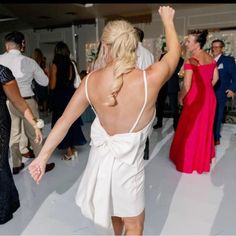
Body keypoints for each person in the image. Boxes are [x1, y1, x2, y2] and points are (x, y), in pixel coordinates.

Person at [29, 6, 180, 235]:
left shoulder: (91, 81)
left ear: (106, 46)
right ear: (133, 45)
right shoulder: (151, 78)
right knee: (135, 224)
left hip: (102, 164)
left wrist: (42, 157)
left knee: (113, 211)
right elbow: (173, 55)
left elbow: (63, 122)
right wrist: (168, 21)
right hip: (130, 168)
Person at [0, 31, 55, 174]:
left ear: (7, 45)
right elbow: (45, 82)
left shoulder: (0, 60)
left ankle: (16, 165)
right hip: (27, 103)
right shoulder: (30, 62)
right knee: (34, 133)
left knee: (14, 134)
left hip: (7, 102)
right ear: (22, 45)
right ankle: (40, 162)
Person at [169, 29, 219, 174]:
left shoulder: (191, 60)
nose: (186, 43)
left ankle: (190, 161)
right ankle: (203, 158)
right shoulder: (210, 58)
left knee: (191, 129)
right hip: (209, 98)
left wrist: (180, 97)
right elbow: (215, 79)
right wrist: (207, 89)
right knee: (204, 128)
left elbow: (186, 85)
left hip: (195, 99)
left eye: (189, 41)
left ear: (197, 44)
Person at [0, 65, 43, 224]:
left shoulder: (2, 72)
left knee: (1, 165)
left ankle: (4, 208)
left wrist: (35, 124)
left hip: (0, 125)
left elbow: (19, 102)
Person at [49, 41, 87, 160]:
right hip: (70, 96)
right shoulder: (71, 64)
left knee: (61, 123)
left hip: (60, 97)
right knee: (71, 121)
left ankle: (69, 152)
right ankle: (73, 148)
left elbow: (52, 86)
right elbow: (74, 81)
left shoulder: (54, 65)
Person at [211, 39, 236, 145]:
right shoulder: (208, 59)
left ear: (222, 49)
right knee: (209, 115)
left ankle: (215, 137)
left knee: (217, 115)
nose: (215, 49)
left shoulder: (228, 60)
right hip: (208, 93)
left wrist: (232, 89)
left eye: (217, 47)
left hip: (220, 93)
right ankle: (209, 135)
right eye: (213, 47)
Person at [153, 49, 184, 130]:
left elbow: (175, 71)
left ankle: (176, 124)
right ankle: (159, 122)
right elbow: (159, 67)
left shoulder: (180, 59)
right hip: (162, 84)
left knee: (174, 106)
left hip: (172, 85)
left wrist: (165, 69)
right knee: (160, 105)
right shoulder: (163, 56)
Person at [32, 48, 49, 113]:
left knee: (40, 97)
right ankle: (43, 110)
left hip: (39, 80)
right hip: (39, 80)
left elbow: (46, 71)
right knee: (41, 97)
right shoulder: (36, 62)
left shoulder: (39, 62)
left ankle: (42, 110)